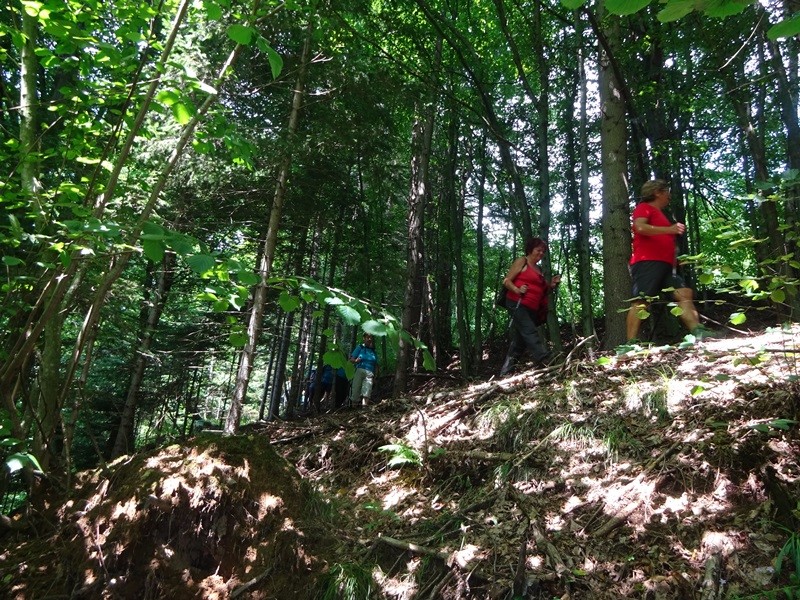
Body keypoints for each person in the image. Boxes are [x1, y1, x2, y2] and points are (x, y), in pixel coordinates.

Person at [626, 179, 710, 343]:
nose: (669, 196)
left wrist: (678, 259)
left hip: (666, 265)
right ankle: (630, 344)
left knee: (684, 293)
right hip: (647, 262)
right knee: (641, 301)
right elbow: (640, 227)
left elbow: (663, 241)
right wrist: (670, 229)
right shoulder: (644, 208)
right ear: (658, 192)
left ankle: (699, 333)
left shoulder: (660, 214)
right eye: (667, 192)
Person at [499, 238, 561, 376]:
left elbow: (542, 289)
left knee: (520, 341)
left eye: (543, 251)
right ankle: (546, 359)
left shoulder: (539, 269)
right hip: (517, 303)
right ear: (530, 249)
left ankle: (506, 372)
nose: (540, 254)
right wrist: (517, 289)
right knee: (530, 331)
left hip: (533, 308)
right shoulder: (522, 261)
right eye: (538, 250)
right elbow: (507, 281)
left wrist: (551, 284)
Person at [349, 333, 378, 406]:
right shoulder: (360, 347)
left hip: (370, 373)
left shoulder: (373, 351)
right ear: (364, 338)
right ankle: (353, 407)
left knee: (367, 391)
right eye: (368, 337)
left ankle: (364, 408)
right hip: (359, 370)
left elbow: (376, 365)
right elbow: (351, 359)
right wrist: (356, 361)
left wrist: (376, 376)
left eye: (371, 338)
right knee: (356, 389)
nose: (369, 339)